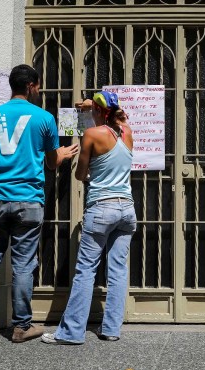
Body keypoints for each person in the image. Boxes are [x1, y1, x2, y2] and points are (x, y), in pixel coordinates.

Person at [0, 64, 79, 346]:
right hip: (29, 200)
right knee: (24, 264)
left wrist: (0, 163)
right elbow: (50, 162)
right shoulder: (44, 118)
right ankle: (22, 326)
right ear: (32, 85)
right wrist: (60, 154)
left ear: (12, 86)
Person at [41, 90, 136, 345]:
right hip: (127, 209)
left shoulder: (93, 135)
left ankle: (71, 332)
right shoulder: (127, 132)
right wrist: (92, 106)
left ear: (96, 110)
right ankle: (112, 330)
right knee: (117, 270)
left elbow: (80, 174)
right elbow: (120, 116)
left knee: (85, 270)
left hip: (101, 207)